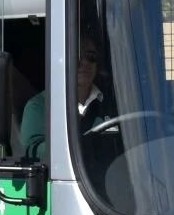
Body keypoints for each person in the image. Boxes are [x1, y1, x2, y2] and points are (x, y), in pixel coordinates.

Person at [19, 30, 114, 161]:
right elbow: (32, 152)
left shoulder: (112, 104)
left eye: (91, 57)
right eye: (76, 56)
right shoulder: (38, 106)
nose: (85, 62)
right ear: (62, 61)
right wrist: (71, 139)